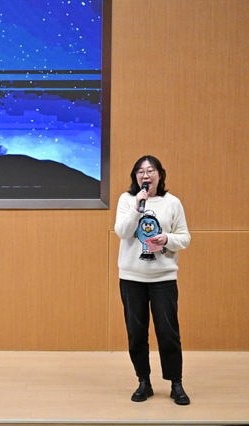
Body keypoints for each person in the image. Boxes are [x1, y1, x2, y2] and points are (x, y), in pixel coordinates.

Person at [114, 155, 191, 405]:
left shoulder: (172, 202)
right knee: (136, 334)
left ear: (160, 174)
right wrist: (137, 208)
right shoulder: (127, 200)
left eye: (150, 170)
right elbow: (123, 232)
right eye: (140, 171)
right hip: (132, 277)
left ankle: (176, 383)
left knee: (168, 333)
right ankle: (144, 382)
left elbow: (185, 237)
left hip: (163, 278)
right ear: (135, 177)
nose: (145, 175)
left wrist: (167, 239)